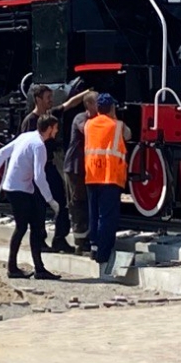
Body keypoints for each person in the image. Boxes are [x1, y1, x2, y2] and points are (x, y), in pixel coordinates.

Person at [0, 114, 61, 280]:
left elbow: (4, 152)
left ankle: (38, 268)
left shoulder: (27, 136)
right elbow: (39, 176)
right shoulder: (40, 146)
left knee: (33, 226)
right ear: (49, 129)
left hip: (17, 187)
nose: (57, 131)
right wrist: (51, 200)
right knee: (23, 227)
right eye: (55, 128)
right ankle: (14, 267)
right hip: (19, 189)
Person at [21, 83, 90, 252]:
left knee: (61, 201)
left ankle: (60, 238)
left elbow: (69, 104)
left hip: (49, 166)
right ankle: (39, 240)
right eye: (48, 98)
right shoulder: (30, 121)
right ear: (38, 99)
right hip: (36, 168)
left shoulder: (51, 115)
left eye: (51, 98)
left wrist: (87, 92)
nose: (51, 101)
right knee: (39, 206)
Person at [85, 94, 128, 279]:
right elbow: (129, 135)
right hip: (110, 177)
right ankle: (103, 257)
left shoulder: (88, 125)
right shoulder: (117, 126)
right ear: (112, 108)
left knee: (94, 215)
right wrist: (115, 117)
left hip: (92, 175)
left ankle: (94, 248)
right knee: (107, 219)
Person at [64, 90, 99, 253]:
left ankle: (87, 236)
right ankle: (80, 240)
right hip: (75, 166)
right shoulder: (81, 118)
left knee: (86, 201)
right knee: (78, 202)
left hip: (87, 166)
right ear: (89, 104)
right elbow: (88, 131)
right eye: (98, 102)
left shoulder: (96, 119)